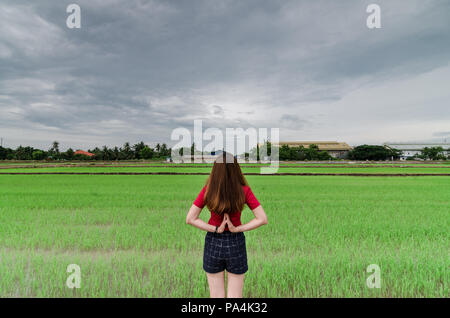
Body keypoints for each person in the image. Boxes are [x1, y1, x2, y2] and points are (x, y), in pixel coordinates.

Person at [186, 152, 268, 298]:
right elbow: (262, 219)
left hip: (213, 242)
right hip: (235, 243)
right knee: (235, 297)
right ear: (236, 169)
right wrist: (237, 228)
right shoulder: (244, 191)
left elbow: (190, 218)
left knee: (216, 295)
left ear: (215, 171)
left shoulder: (208, 190)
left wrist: (216, 229)